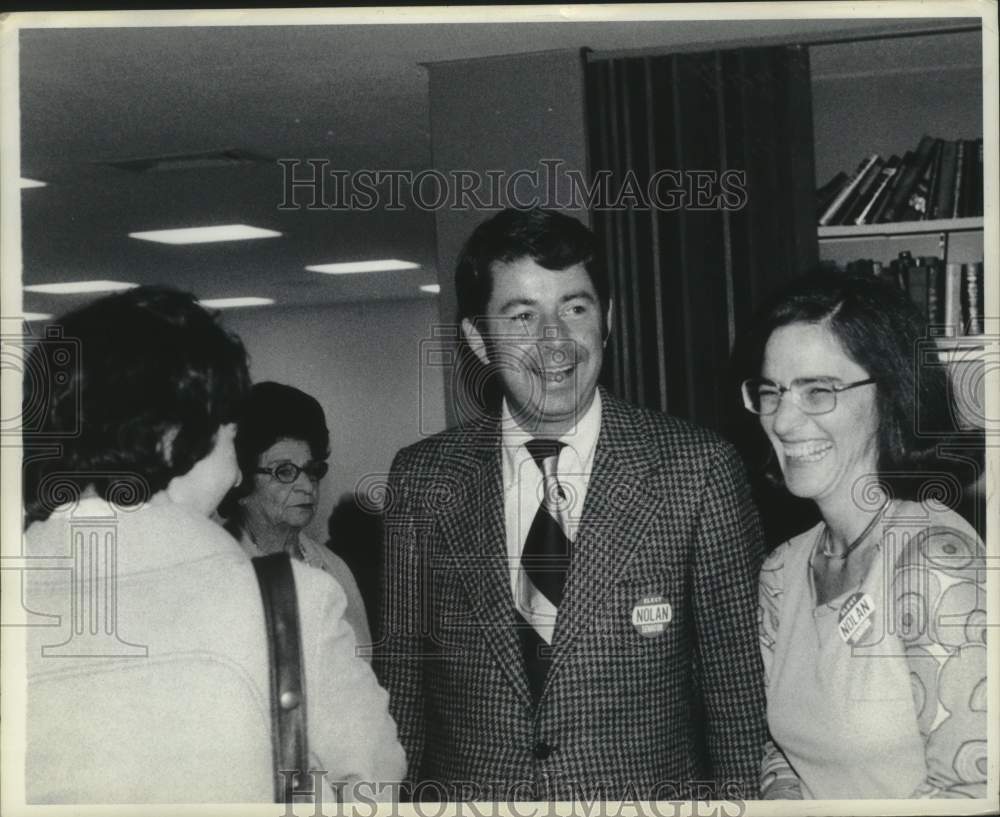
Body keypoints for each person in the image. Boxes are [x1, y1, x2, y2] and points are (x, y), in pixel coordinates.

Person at [374, 208, 767, 801]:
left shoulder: (697, 471)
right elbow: (402, 687)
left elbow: (737, 694)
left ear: (608, 320)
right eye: (523, 315)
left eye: (575, 308)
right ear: (478, 339)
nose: (553, 340)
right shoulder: (424, 479)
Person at [21, 287, 404, 804]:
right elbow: (373, 787)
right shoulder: (287, 604)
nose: (238, 466)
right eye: (229, 431)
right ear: (173, 437)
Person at [743, 272, 987, 799]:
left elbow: (974, 789)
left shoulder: (936, 563)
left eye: (817, 391)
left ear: (890, 393)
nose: (783, 421)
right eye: (771, 392)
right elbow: (784, 748)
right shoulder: (782, 571)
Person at [220, 382, 371, 652]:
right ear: (241, 481)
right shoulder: (218, 567)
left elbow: (363, 660)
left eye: (311, 470)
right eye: (284, 471)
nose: (306, 485)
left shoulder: (333, 567)